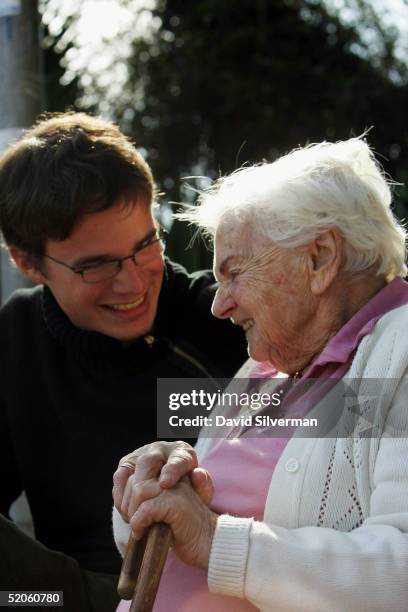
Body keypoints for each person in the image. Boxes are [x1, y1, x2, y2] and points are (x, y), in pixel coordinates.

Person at [113, 136, 408, 611]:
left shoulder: (400, 351)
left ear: (320, 258)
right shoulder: (265, 369)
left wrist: (214, 538)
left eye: (233, 273)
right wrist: (152, 491)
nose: (218, 304)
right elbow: (185, 532)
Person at [0, 112, 247, 611]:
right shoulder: (14, 342)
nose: (133, 284)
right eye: (96, 265)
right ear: (28, 263)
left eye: (144, 245)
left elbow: (363, 419)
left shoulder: (231, 321)